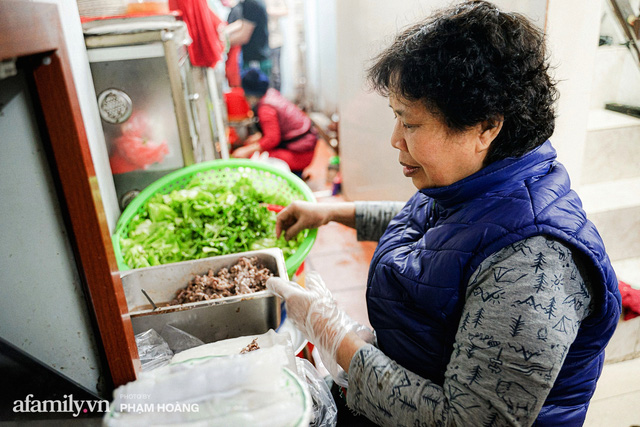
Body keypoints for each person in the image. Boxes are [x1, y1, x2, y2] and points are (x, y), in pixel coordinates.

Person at [266, 2, 621, 426]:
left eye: (410, 123)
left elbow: (466, 420)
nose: (395, 139)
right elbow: (441, 231)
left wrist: (337, 339)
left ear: (486, 127)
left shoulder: (534, 264)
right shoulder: (479, 183)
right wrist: (330, 213)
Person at [232, 68, 317, 177]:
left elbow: (272, 139)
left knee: (259, 157)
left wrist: (246, 151)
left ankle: (292, 176)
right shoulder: (271, 94)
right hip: (305, 145)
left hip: (301, 154)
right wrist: (258, 137)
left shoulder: (265, 108)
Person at [224, 0, 271, 77]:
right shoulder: (251, 2)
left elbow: (244, 36)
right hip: (258, 56)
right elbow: (244, 22)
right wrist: (225, 31)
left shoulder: (251, 3)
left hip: (255, 59)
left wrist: (221, 43)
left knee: (253, 87)